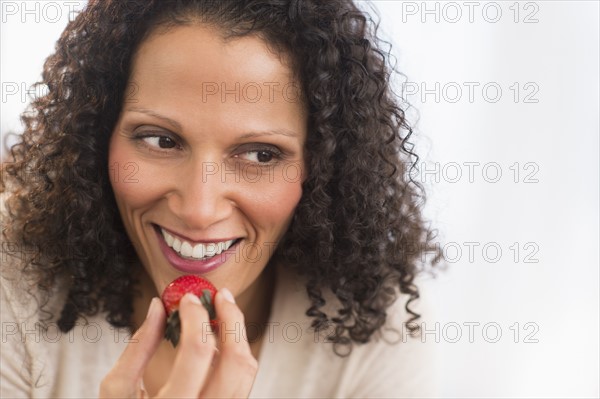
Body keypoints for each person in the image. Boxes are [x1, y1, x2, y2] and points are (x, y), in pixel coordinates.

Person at [1, 0, 441, 397]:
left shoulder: (378, 324)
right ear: (99, 136)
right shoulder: (11, 277)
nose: (198, 209)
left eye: (260, 155)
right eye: (160, 140)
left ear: (324, 167)